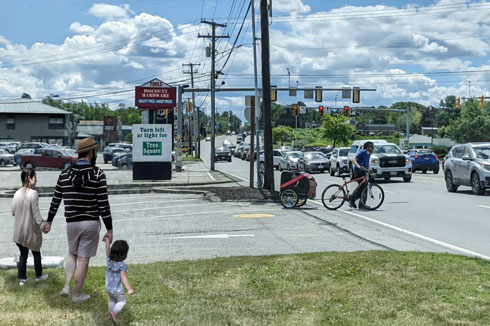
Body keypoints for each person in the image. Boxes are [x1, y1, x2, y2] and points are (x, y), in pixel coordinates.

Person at [44, 137, 113, 303]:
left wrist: (49, 220)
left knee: (72, 253)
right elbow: (103, 204)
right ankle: (77, 294)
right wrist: (109, 228)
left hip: (71, 223)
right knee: (83, 259)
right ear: (90, 153)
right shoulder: (98, 174)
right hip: (90, 222)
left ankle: (66, 285)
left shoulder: (65, 174)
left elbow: (56, 200)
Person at [12, 168, 49, 286]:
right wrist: (44, 225)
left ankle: (22, 278)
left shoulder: (17, 193)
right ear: (29, 178)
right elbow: (36, 214)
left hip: (19, 232)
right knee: (36, 252)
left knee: (23, 254)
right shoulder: (33, 194)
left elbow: (13, 212)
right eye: (34, 177)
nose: (36, 180)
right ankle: (39, 275)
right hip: (30, 232)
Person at [104, 237, 134, 324]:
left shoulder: (109, 260)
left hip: (109, 288)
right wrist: (129, 289)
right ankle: (114, 313)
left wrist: (107, 241)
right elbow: (123, 278)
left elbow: (107, 250)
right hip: (117, 290)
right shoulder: (122, 265)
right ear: (124, 254)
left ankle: (110, 314)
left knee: (112, 300)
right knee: (122, 301)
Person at [350, 141, 374, 209]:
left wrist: (369, 169)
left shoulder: (368, 154)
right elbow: (354, 160)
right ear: (368, 147)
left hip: (363, 171)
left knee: (364, 188)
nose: (372, 149)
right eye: (371, 147)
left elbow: (367, 163)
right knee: (363, 188)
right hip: (358, 171)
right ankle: (354, 199)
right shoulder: (363, 152)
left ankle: (360, 203)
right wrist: (359, 166)